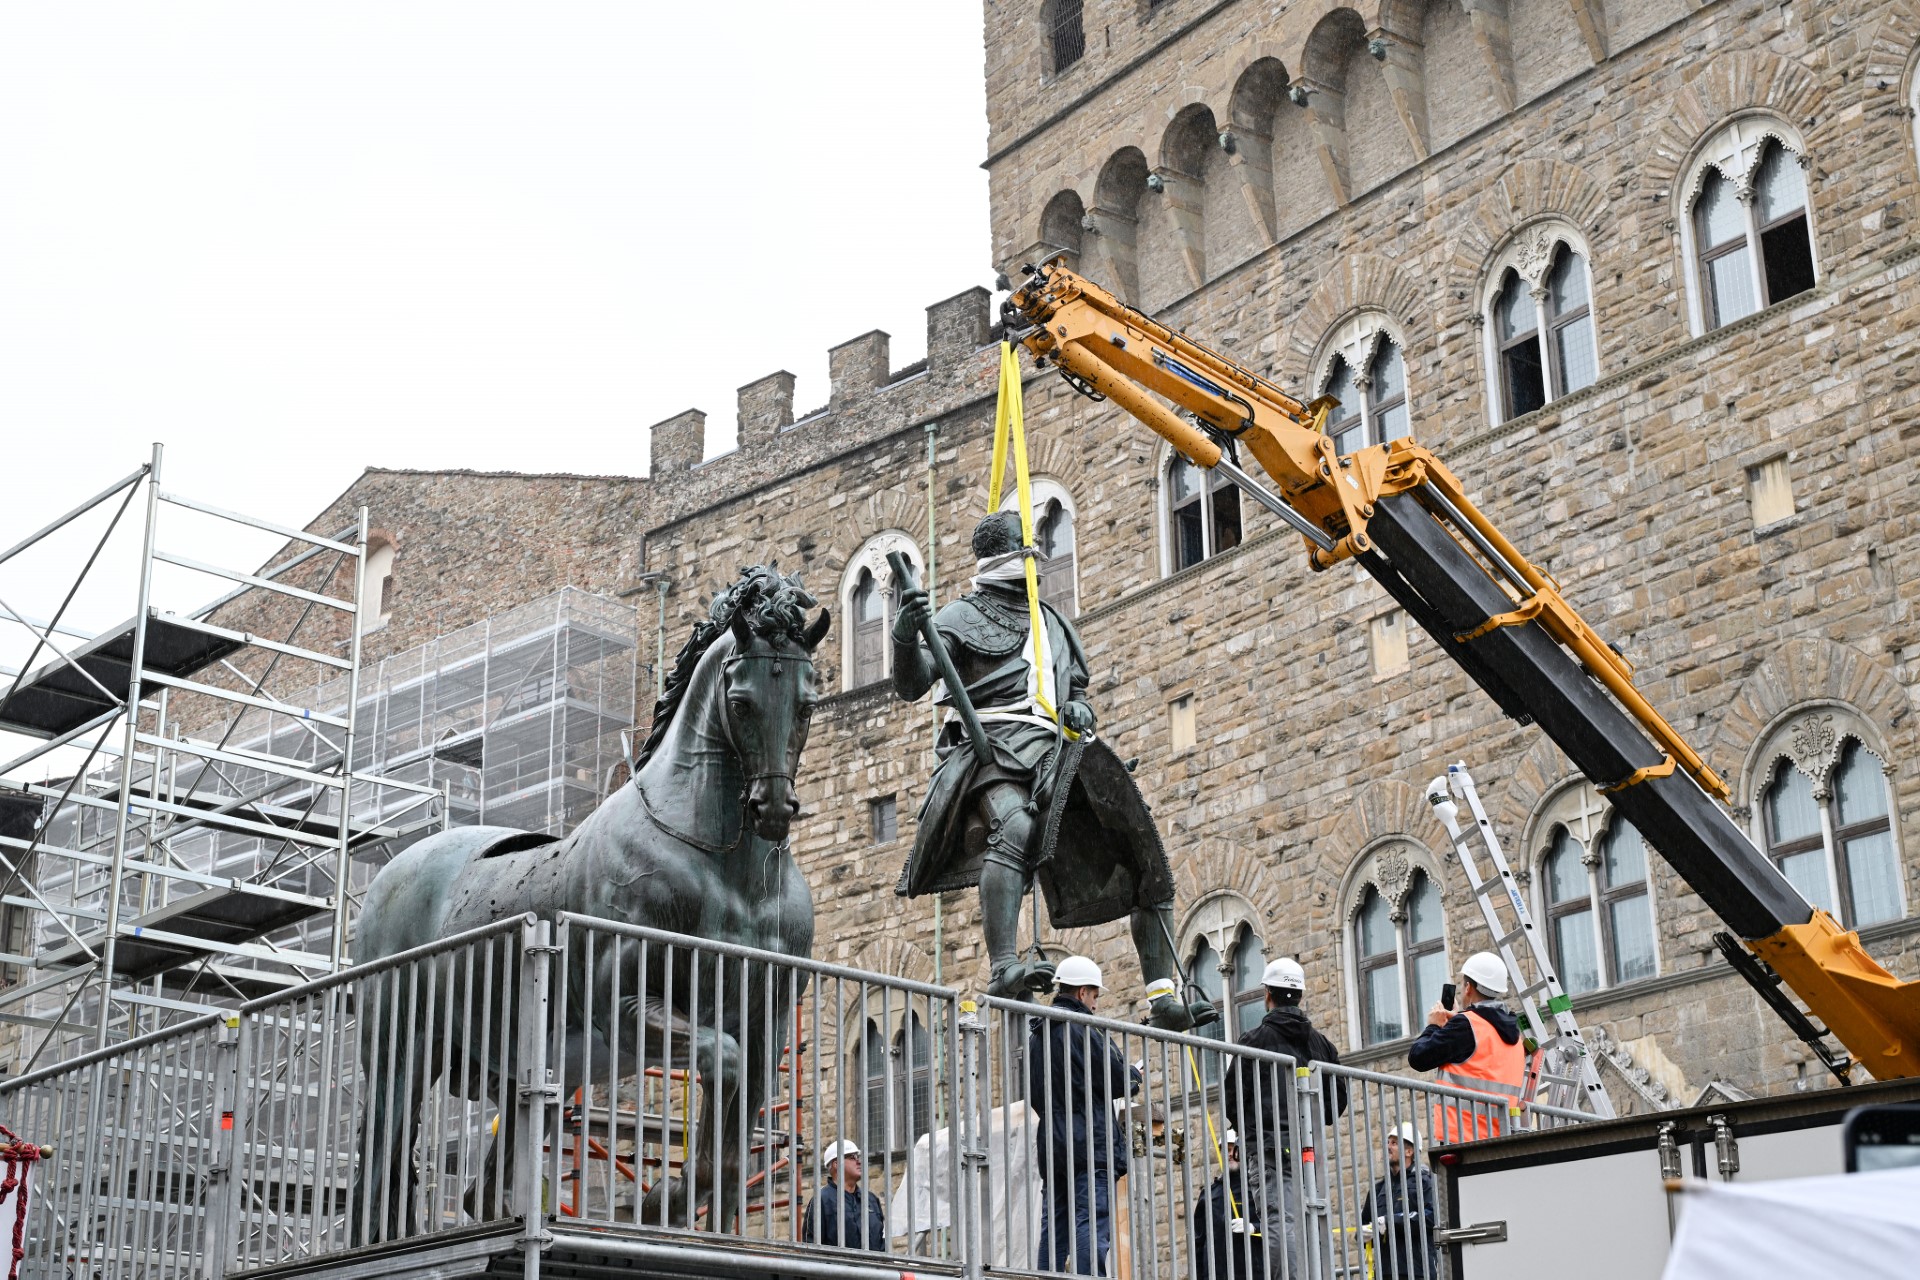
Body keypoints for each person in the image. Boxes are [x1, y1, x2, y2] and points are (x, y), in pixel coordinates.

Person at [890, 511, 1199, 1030]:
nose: (1032, 562)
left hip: (1057, 746)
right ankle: (1004, 965)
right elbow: (914, 683)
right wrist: (903, 636)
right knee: (1015, 828)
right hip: (992, 749)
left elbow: (1074, 690)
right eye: (1022, 552)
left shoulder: (1053, 622)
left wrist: (1079, 709)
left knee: (1139, 839)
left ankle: (1162, 992)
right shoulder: (960, 616)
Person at [1221, 957, 1347, 1280]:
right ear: (1301, 996)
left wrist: (1246, 1132)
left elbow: (1232, 1097)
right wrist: (1317, 1122)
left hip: (1269, 1149)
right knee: (1311, 1217)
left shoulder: (1254, 1042)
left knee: (1278, 1220)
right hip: (1309, 1151)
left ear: (1268, 995)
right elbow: (1338, 1100)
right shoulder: (1321, 1045)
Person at [1028, 955, 1139, 1276]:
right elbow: (1117, 1078)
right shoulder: (1085, 1028)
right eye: (1095, 996)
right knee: (1091, 1220)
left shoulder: (1038, 1032)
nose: (1096, 1005)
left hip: (1053, 1144)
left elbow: (1036, 1095)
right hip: (1090, 1141)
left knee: (1056, 1225)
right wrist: (1134, 1074)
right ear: (1082, 993)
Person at [1407, 951, 1527, 1143]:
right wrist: (1459, 1020)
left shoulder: (1466, 1026)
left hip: (1464, 1137)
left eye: (1463, 985)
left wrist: (1433, 1026)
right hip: (1501, 1137)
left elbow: (1418, 1057)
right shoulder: (1514, 1033)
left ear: (1469, 987)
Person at [1359, 1123, 1439, 1280]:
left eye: (1394, 1143)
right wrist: (1363, 1234)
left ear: (1409, 1151)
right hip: (1385, 1273)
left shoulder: (1425, 1182)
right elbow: (1366, 1225)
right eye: (1388, 1142)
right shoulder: (1378, 1189)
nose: (1388, 1147)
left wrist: (1390, 1221)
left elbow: (1430, 1218)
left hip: (1418, 1272)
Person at [1191, 1129, 1266, 1280]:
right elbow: (1198, 1243)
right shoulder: (1209, 1194)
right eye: (1225, 1150)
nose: (1229, 1154)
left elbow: (1282, 1226)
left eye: (1233, 1148)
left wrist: (1255, 1227)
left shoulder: (1260, 1189)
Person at [801, 1139, 887, 1252]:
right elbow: (811, 1247)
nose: (859, 1162)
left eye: (858, 1157)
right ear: (836, 1164)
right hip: (838, 1269)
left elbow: (882, 1244)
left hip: (872, 1269)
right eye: (852, 1157)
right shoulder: (822, 1200)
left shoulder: (871, 1200)